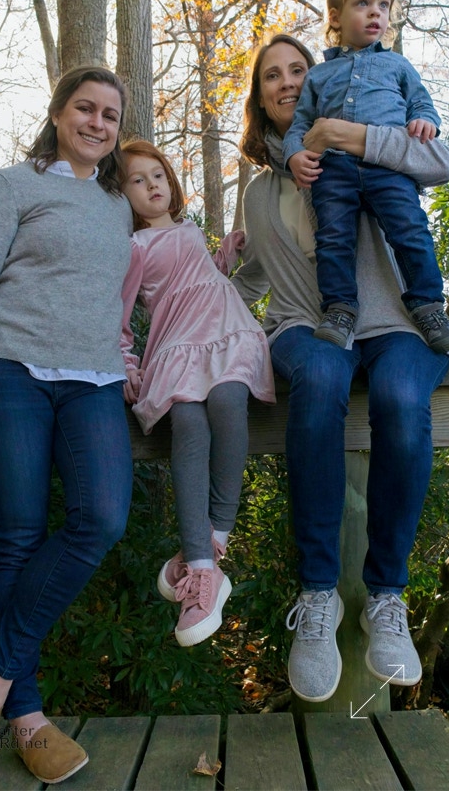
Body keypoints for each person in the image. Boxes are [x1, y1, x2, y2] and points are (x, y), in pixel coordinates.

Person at [231, 32, 449, 702]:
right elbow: (253, 277)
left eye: (296, 69)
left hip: (393, 324)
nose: (286, 81)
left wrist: (350, 136)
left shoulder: (371, 141)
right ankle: (317, 595)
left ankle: (386, 597)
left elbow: (442, 161)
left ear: (320, 80)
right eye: (271, 75)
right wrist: (194, 288)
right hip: (306, 328)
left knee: (399, 398)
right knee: (324, 375)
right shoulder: (259, 191)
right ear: (260, 97)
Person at [0, 66, 135, 783]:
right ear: (57, 113)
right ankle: (25, 716)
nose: (97, 123)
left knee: (101, 518)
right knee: (18, 535)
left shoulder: (117, 204)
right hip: (12, 372)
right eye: (85, 108)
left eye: (110, 115)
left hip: (94, 382)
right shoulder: (10, 185)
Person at [120, 140, 275, 647]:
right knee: (187, 424)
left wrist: (225, 253)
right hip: (177, 347)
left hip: (226, 331)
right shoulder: (134, 248)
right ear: (123, 195)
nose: (151, 185)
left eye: (157, 175)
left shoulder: (187, 229)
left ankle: (213, 539)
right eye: (137, 180)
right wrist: (126, 363)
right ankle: (202, 568)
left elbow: (203, 278)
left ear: (170, 181)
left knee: (229, 402)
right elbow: (120, 316)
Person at [282, 0, 449, 354]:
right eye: (363, 3)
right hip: (334, 169)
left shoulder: (398, 65)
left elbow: (421, 103)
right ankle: (340, 308)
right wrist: (294, 154)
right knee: (333, 237)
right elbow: (300, 125)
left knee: (411, 230)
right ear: (335, 17)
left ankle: (428, 306)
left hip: (388, 169)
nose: (375, 13)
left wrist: (424, 120)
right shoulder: (318, 76)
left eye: (383, 5)